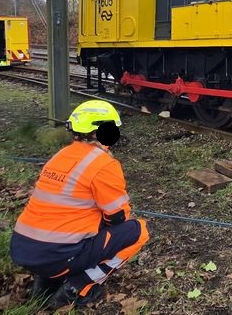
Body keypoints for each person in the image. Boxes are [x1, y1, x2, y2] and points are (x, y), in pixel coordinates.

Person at [10, 100, 150, 308]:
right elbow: (118, 217)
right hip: (57, 256)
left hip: (23, 249)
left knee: (73, 226)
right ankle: (77, 287)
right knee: (139, 231)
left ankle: (44, 282)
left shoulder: (59, 156)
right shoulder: (104, 164)